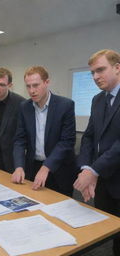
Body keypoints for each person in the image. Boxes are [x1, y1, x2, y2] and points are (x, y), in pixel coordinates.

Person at [73, 49, 120, 256]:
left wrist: (94, 170)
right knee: (106, 236)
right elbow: (89, 137)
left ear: (117, 68)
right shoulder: (97, 100)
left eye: (100, 70)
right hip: (102, 183)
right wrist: (86, 168)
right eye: (92, 72)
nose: (95, 77)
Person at [11, 66, 76, 197]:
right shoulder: (24, 107)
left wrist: (46, 167)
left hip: (59, 170)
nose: (31, 91)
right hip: (33, 168)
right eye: (28, 86)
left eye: (36, 85)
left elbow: (66, 142)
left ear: (47, 82)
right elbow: (19, 140)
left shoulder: (65, 105)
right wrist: (18, 166)